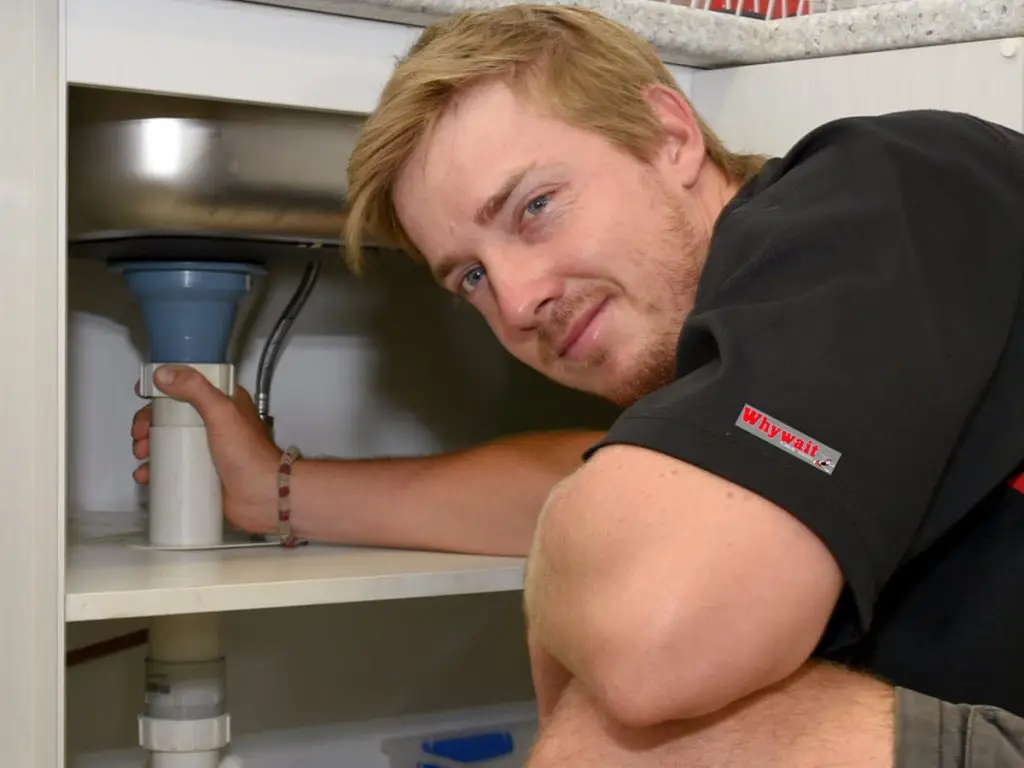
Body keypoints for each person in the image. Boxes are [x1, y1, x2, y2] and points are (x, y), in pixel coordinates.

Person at [130, 4, 1024, 766]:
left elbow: (655, 633)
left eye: (535, 208)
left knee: (633, 738)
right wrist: (275, 490)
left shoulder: (876, 194)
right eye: (469, 278)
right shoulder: (793, 343)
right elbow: (586, 483)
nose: (517, 302)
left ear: (670, 135)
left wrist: (573, 542)